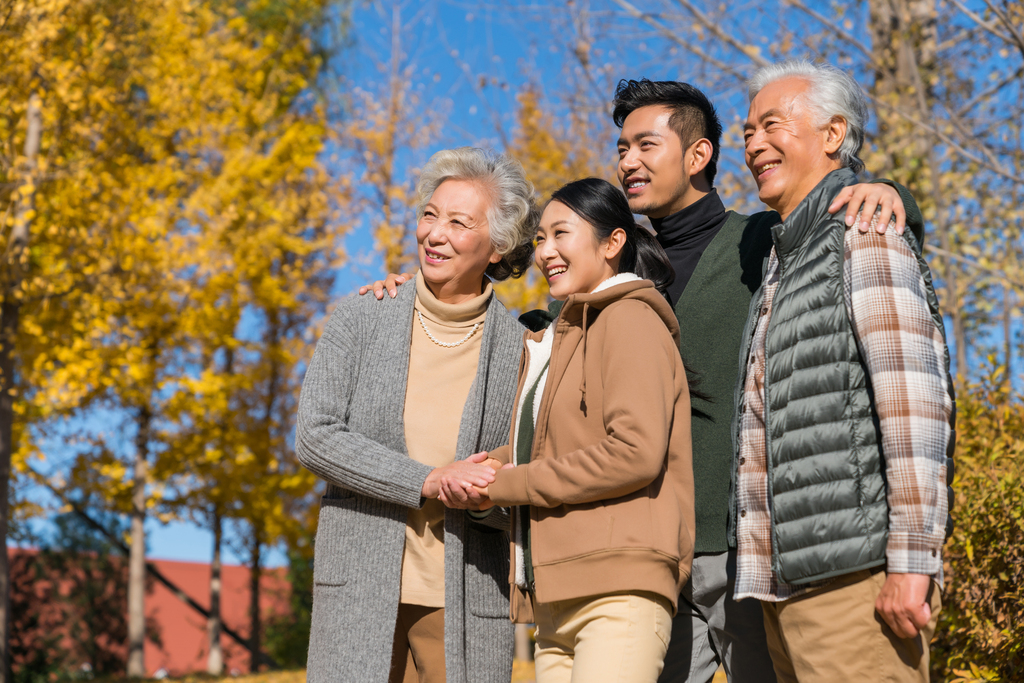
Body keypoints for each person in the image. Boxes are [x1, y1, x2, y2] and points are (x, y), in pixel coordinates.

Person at [361, 79, 922, 683]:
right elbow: (532, 351)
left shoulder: (760, 242)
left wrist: (888, 191)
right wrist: (426, 290)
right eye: (622, 147)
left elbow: (841, 224)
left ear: (699, 155)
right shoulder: (609, 276)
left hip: (745, 552)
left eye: (645, 145)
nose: (627, 160)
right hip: (647, 558)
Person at [732, 59, 954, 683]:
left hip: (857, 585)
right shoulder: (784, 257)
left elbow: (912, 399)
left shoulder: (864, 232)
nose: (752, 143)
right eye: (747, 131)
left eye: (771, 124)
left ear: (832, 135)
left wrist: (913, 562)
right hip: (788, 589)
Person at [295, 147, 539, 683]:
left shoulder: (522, 350)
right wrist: (426, 480)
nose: (435, 233)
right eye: (430, 215)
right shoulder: (363, 316)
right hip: (359, 588)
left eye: (458, 222)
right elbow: (314, 436)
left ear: (498, 247)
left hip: (465, 596)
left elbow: (522, 483)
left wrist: (483, 500)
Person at [462, 177, 694, 683]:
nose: (546, 251)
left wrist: (505, 484)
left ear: (613, 243)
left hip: (618, 588)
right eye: (541, 238)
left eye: (561, 233)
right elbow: (548, 445)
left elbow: (634, 452)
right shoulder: (561, 336)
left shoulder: (629, 316)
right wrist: (477, 471)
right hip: (557, 595)